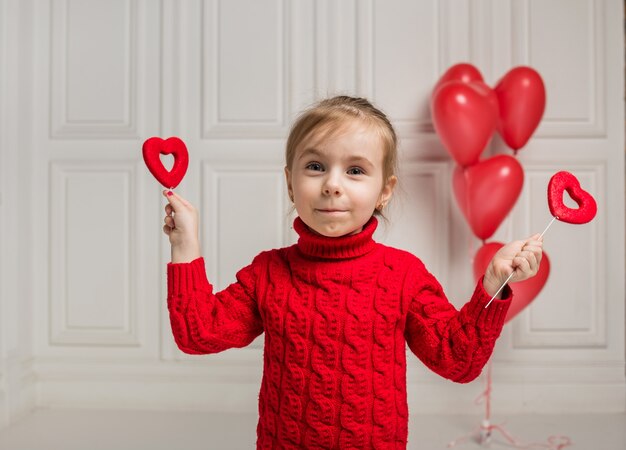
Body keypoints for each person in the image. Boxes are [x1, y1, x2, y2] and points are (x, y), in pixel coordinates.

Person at [161, 96, 543, 449]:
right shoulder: (268, 272)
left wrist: (494, 286)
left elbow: (457, 360)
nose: (331, 185)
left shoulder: (403, 275)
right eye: (315, 167)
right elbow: (198, 333)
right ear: (290, 184)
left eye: (355, 170)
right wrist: (184, 244)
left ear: (384, 191)